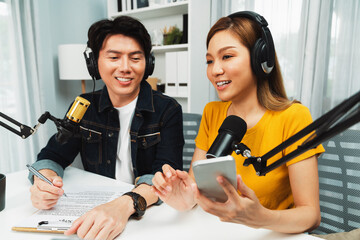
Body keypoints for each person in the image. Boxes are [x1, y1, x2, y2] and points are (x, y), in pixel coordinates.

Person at [152, 11, 325, 234]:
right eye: (209, 60)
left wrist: (261, 217)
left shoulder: (294, 117)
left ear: (260, 58)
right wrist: (183, 198)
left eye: (227, 57)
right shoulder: (212, 112)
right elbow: (196, 190)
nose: (215, 70)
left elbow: (311, 215)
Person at [28, 16, 184, 240]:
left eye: (135, 58)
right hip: (96, 211)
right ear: (94, 63)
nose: (125, 67)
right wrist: (43, 182)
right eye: (114, 57)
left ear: (148, 63)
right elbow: (53, 155)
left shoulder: (168, 109)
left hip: (150, 217)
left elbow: (165, 178)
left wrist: (123, 205)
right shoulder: (83, 106)